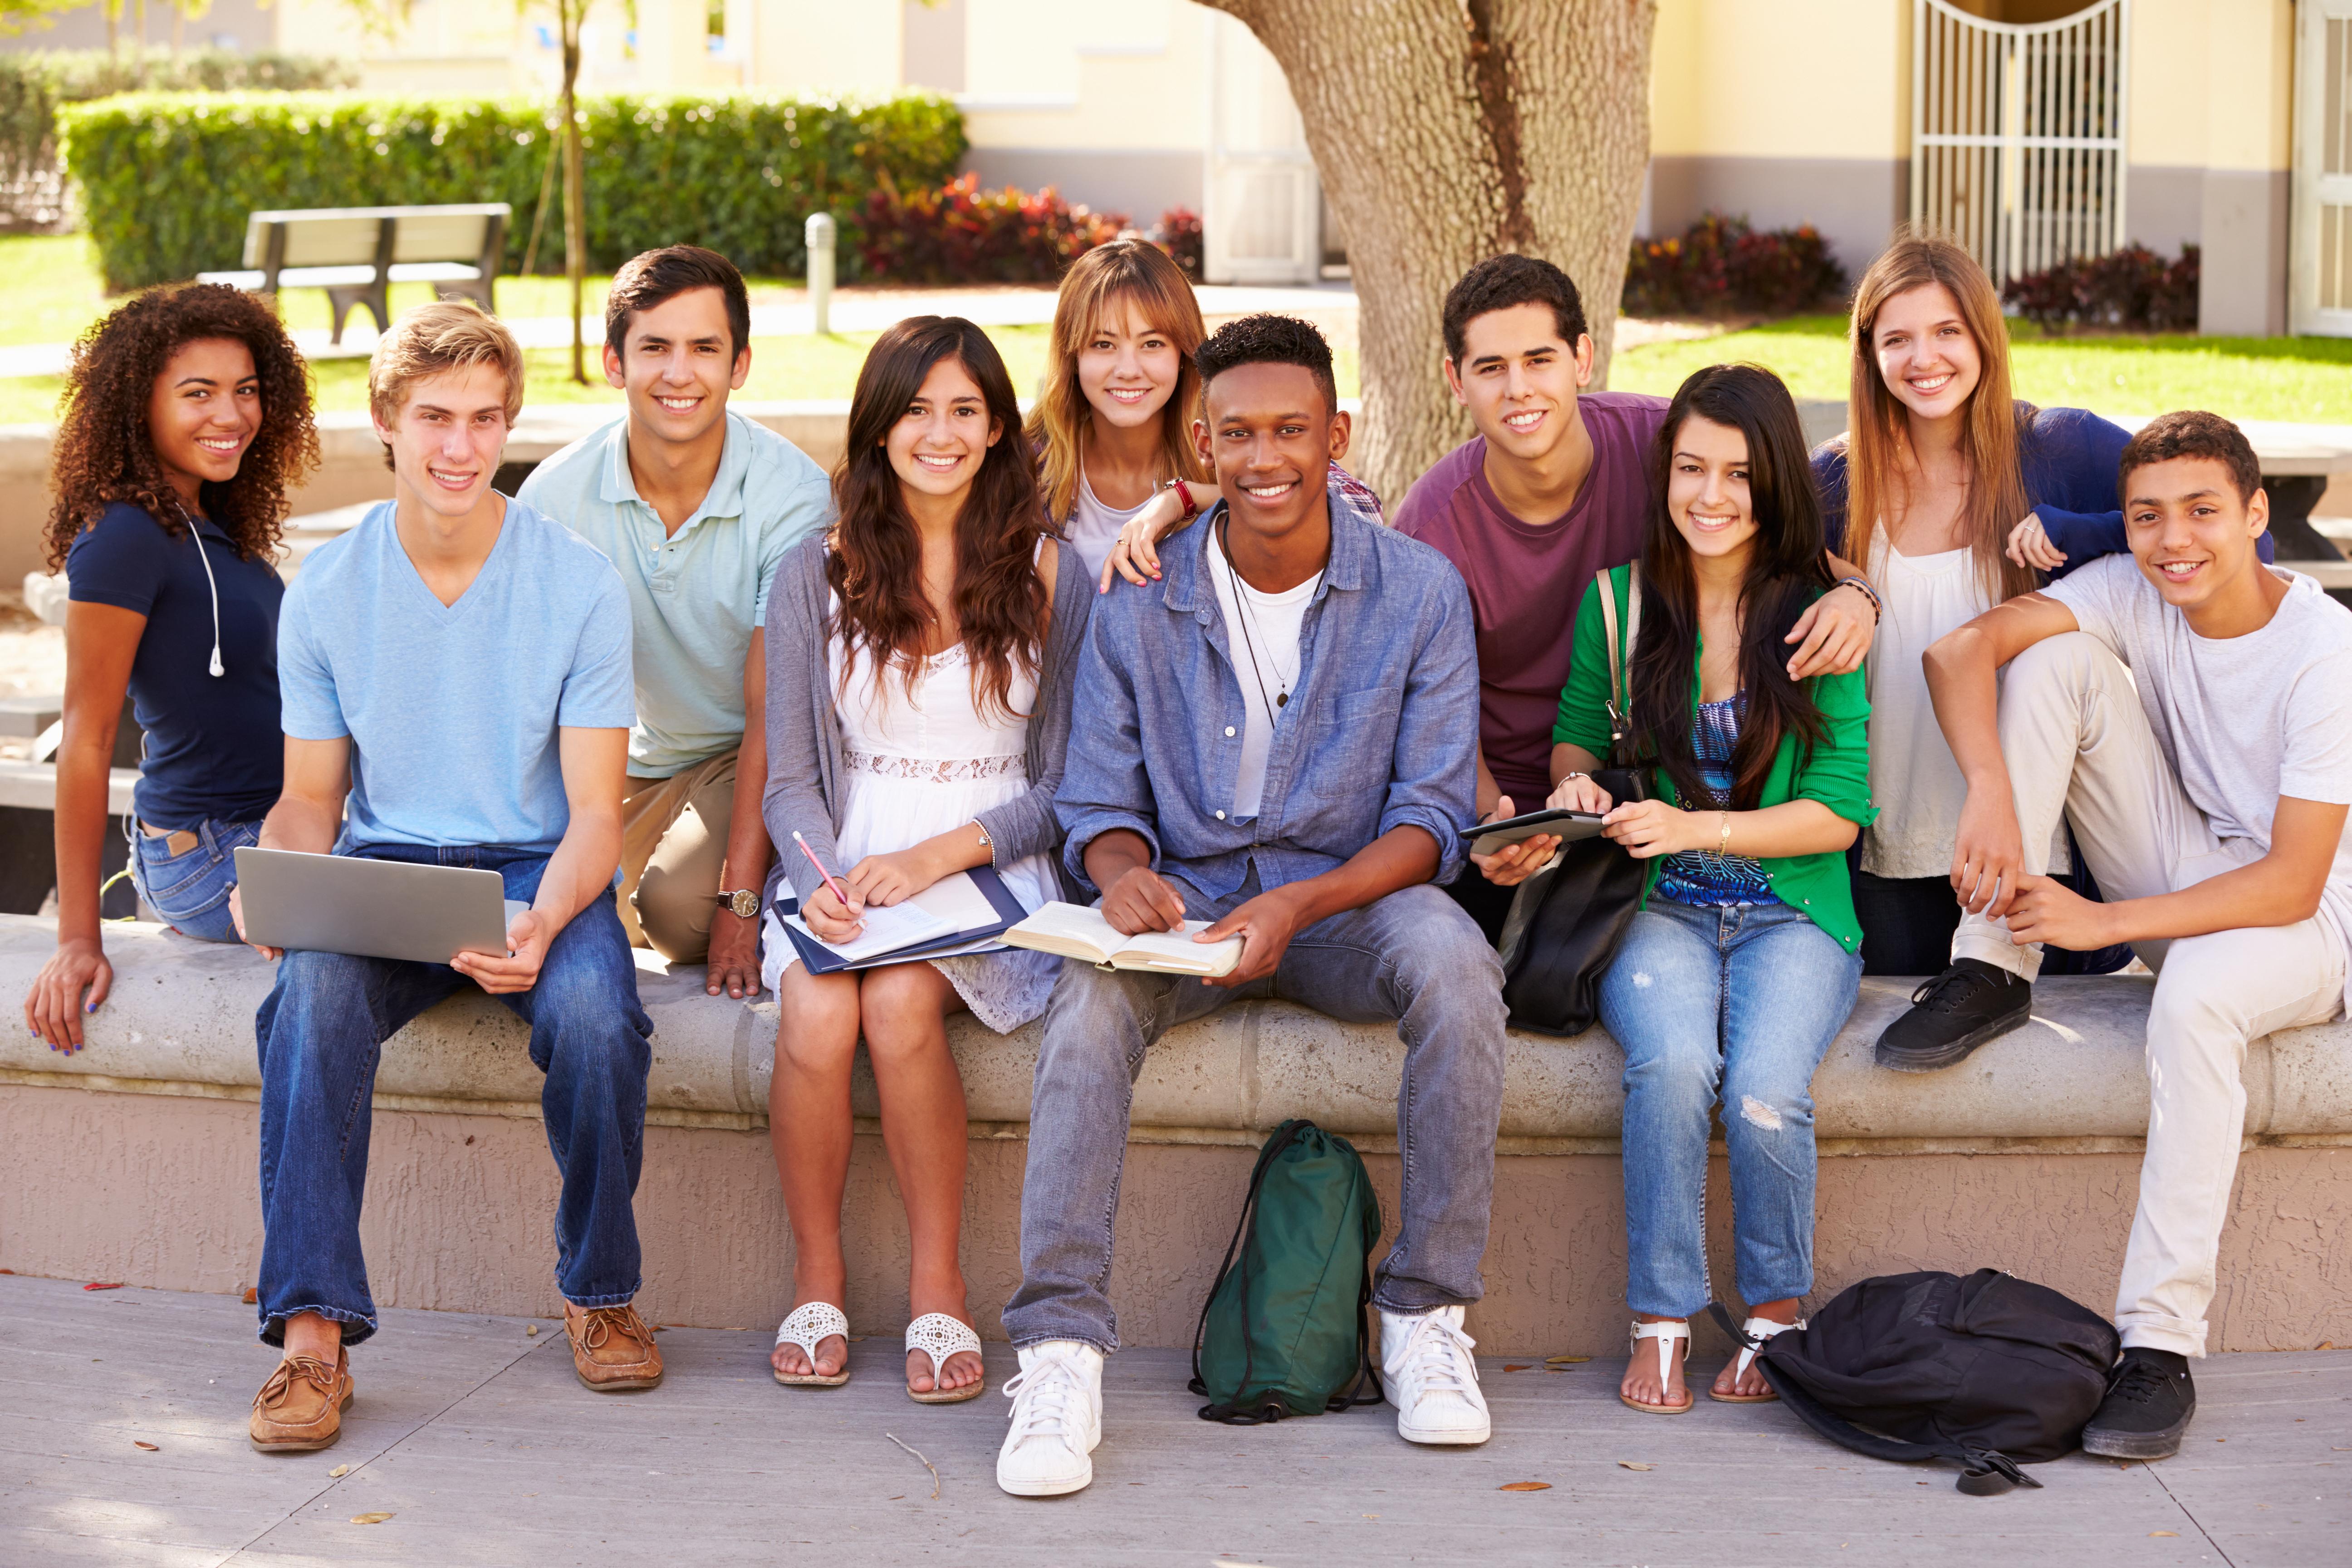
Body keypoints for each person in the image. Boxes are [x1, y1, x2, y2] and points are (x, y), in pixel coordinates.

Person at [997, 314, 1507, 1497]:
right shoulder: (1140, 591)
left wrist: (1301, 907)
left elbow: (1432, 819)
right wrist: (1123, 871)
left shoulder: (1420, 592)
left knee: (1457, 969)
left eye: (1292, 430)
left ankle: (1428, 1320)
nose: (1266, 456)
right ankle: (1062, 1353)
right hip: (1187, 908)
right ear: (1201, 441)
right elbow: (1095, 793)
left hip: (1343, 904)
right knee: (1081, 1017)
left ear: (1338, 435)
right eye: (1238, 433)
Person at [1105, 255, 1880, 943]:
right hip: (1500, 803)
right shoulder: (1436, 522)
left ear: (1581, 357)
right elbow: (1432, 701)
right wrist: (1495, 823)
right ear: (1455, 380)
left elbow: (1768, 525)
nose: (1518, 390)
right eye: (1490, 367)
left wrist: (1853, 593)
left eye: (1538, 359)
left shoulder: (1656, 446)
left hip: (1643, 790)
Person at [236, 302, 657, 1454]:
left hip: (538, 865)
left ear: (509, 425)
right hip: (387, 870)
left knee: (597, 1015)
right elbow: (313, 800)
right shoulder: (327, 590)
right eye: (433, 417)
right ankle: (311, 1342)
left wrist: (542, 918)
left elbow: (591, 819)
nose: (459, 447)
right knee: (309, 999)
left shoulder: (576, 584)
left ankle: (600, 1286)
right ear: (385, 420)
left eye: (483, 419)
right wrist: (280, 874)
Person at [1914, 411, 2352, 1458]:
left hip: (2308, 920)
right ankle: (1991, 963)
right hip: (2185, 872)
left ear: (2256, 514)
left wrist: (2102, 921)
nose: (2173, 540)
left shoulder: (2325, 654)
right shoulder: (2129, 589)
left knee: (2195, 995)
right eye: (2146, 517)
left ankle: (2158, 1344)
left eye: (2202, 511)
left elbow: (2292, 882)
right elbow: (1956, 648)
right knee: (2049, 665)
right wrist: (1985, 790)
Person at [759, 316, 1088, 1402]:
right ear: (878, 427)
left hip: (992, 858)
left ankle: (939, 1286)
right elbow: (793, 776)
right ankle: (817, 1279)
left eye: (963, 409)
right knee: (815, 1005)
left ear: (998, 427)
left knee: (898, 1005)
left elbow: (1068, 787)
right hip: (849, 854)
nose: (938, 432)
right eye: (914, 410)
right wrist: (818, 878)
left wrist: (941, 852)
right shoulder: (816, 569)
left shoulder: (1050, 568)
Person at [1818, 231, 2266, 991]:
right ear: (1867, 354)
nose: (1923, 359)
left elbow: (2197, 531)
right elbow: (1751, 581)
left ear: (1983, 338)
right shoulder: (1834, 482)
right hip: (1887, 847)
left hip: (2047, 856)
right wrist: (1845, 584)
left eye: (1946, 332)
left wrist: (2082, 529)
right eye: (1896, 339)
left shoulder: (2063, 451)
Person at [1547, 365, 1871, 1414]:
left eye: (1737, 472)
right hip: (1658, 908)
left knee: (1765, 1089)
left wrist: (1698, 823)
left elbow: (1837, 809)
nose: (1710, 494)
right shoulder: (1619, 597)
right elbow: (1574, 732)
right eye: (1691, 467)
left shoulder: (1823, 616)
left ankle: (1776, 1314)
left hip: (1797, 911)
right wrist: (1576, 781)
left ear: (1775, 482)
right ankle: (1660, 1317)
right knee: (1675, 1061)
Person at [518, 245, 833, 999]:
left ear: (741, 364)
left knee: (678, 913)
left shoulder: (792, 496)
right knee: (531, 891)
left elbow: (773, 711)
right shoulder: (552, 499)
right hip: (614, 761)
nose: (679, 372)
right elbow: (522, 688)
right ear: (613, 362)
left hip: (744, 757)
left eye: (704, 348)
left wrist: (737, 903)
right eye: (654, 347)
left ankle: (738, 876)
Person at [23, 284, 318, 1053]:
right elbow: (87, 739)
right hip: (210, 852)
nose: (231, 416)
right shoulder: (124, 538)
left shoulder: (211, 523)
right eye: (199, 394)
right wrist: (77, 939)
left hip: (276, 824)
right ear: (137, 403)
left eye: (246, 391)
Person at [1039, 236, 1383, 589]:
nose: (1128, 369)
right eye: (1103, 344)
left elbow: (1358, 510)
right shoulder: (1031, 469)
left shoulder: (1224, 443)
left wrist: (1183, 499)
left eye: (1152, 344)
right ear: (1073, 355)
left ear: (1182, 355)